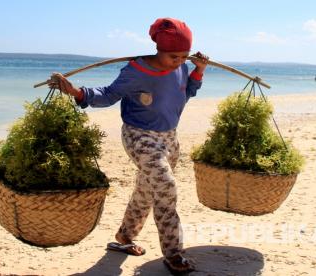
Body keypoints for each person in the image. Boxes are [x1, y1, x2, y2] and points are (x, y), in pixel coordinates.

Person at [50, 17, 208, 273]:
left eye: (184, 56)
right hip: (139, 136)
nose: (179, 61)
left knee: (147, 190)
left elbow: (186, 92)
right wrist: (77, 93)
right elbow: (108, 95)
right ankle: (174, 253)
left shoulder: (180, 68)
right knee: (166, 188)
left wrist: (198, 70)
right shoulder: (135, 70)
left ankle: (124, 236)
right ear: (159, 49)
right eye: (174, 56)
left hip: (170, 137)